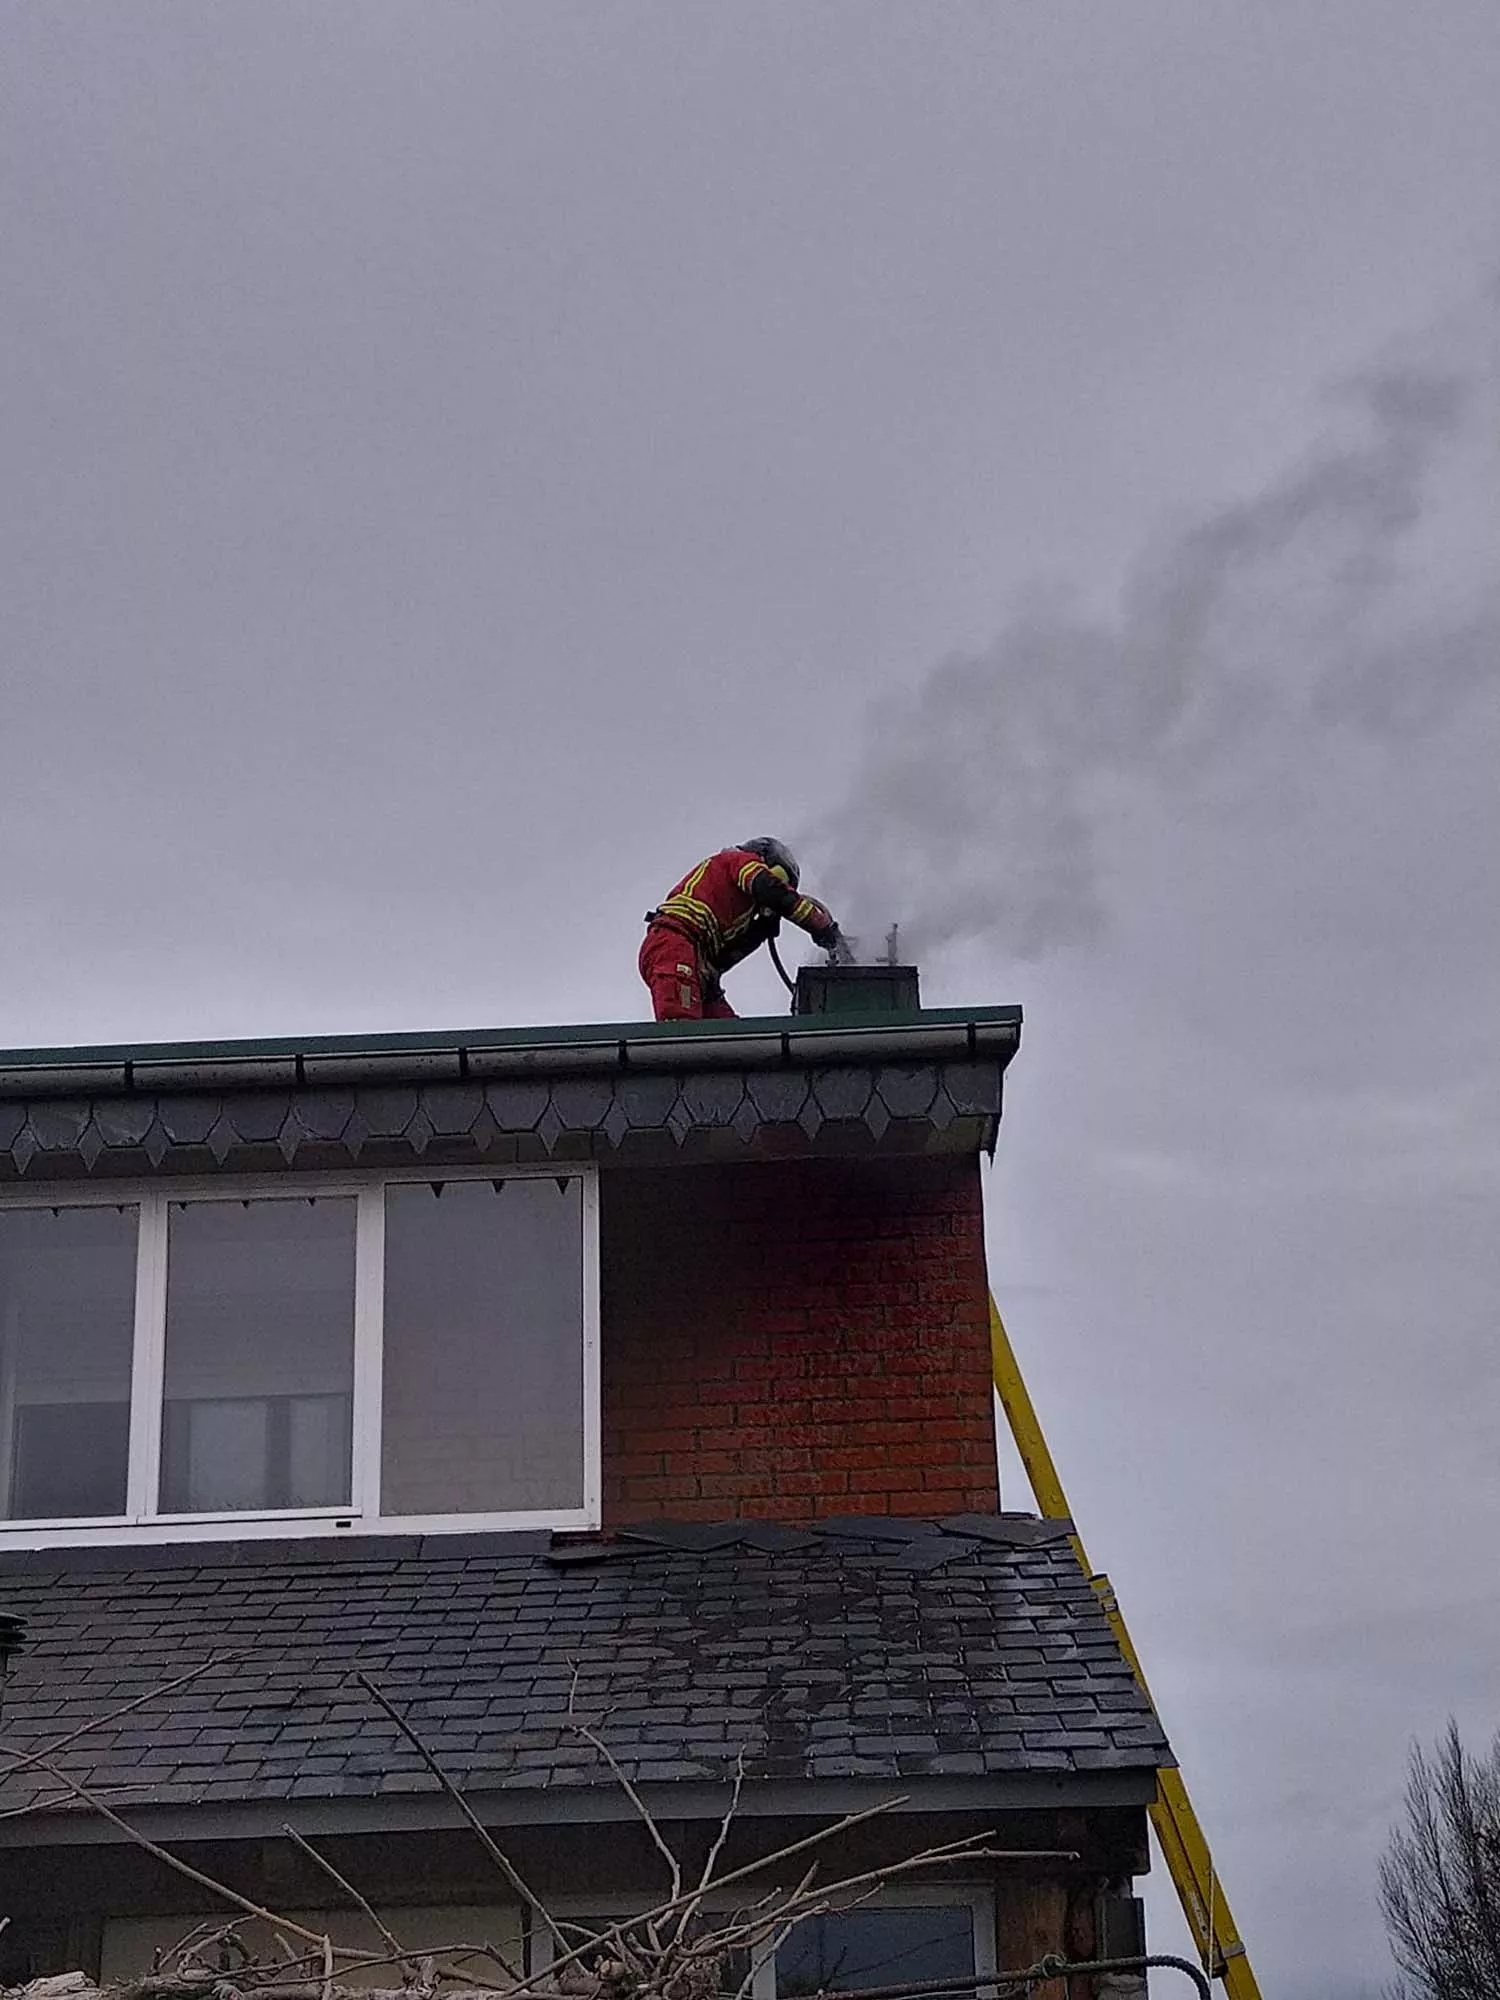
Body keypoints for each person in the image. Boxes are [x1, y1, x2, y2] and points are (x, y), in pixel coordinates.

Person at [639, 838, 844, 1020]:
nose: (781, 886)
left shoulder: (736, 908)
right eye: (780, 879)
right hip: (674, 942)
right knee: (682, 1033)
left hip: (699, 962)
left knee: (730, 1040)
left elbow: (724, 959)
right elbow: (768, 889)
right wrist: (821, 925)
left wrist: (760, 930)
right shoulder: (738, 861)